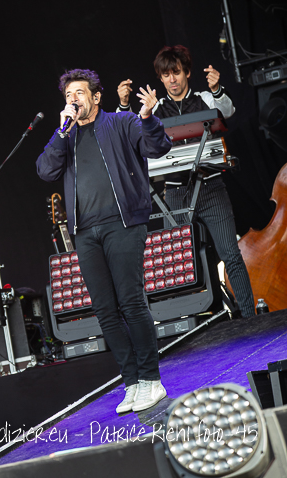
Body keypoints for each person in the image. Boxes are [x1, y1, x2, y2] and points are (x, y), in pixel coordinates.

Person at [37, 69, 172, 413]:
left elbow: (158, 147)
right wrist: (60, 132)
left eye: (79, 93)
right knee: (105, 311)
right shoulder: (66, 136)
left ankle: (151, 379)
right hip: (85, 232)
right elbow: (45, 170)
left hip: (122, 224)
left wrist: (148, 118)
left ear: (96, 97)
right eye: (68, 96)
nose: (73, 100)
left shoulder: (121, 122)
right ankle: (132, 382)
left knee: (131, 302)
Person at [117, 45, 255, 318]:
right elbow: (127, 132)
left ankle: (250, 317)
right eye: (166, 75)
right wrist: (124, 104)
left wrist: (216, 89)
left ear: (187, 73)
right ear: (160, 78)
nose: (172, 79)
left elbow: (227, 110)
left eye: (177, 72)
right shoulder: (155, 108)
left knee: (230, 254)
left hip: (211, 187)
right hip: (175, 192)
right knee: (179, 261)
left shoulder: (204, 98)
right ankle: (197, 321)